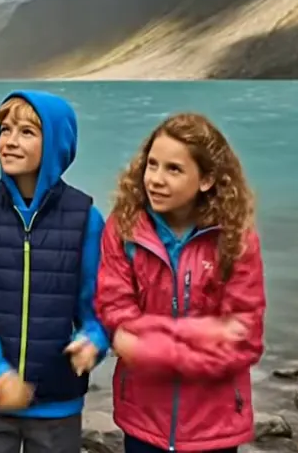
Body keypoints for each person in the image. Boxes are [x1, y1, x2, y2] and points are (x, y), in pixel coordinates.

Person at [0, 91, 110, 453]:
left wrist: (94, 341)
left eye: (27, 132)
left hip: (57, 401)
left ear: (55, 143)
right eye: (5, 130)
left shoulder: (86, 219)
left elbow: (100, 305)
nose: (10, 141)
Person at [94, 112, 266, 453]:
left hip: (213, 425)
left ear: (206, 179)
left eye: (174, 169)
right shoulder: (124, 228)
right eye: (152, 165)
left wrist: (152, 348)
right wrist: (203, 335)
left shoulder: (235, 241)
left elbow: (243, 337)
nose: (155, 179)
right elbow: (114, 309)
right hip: (143, 419)